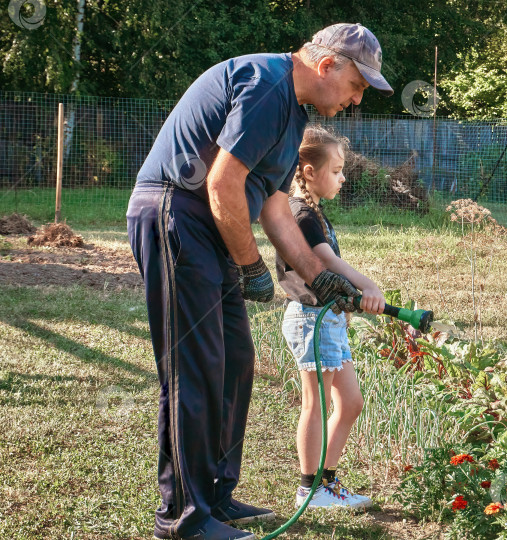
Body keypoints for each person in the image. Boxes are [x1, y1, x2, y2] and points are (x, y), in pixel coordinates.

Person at [126, 23, 393, 540]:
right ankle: (184, 519)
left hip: (210, 226)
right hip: (177, 215)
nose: (358, 100)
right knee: (196, 368)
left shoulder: (292, 115)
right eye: (358, 85)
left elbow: (273, 207)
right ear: (327, 66)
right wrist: (251, 267)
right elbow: (222, 182)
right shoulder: (269, 86)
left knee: (234, 362)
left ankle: (216, 497)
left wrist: (320, 277)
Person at [276, 125, 385, 510]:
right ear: (308, 171)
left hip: (328, 318)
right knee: (316, 404)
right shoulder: (299, 212)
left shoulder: (314, 213)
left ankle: (328, 482)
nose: (342, 177)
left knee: (350, 402)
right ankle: (309, 489)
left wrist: (349, 302)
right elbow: (325, 261)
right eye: (337, 170)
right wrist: (368, 286)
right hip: (309, 318)